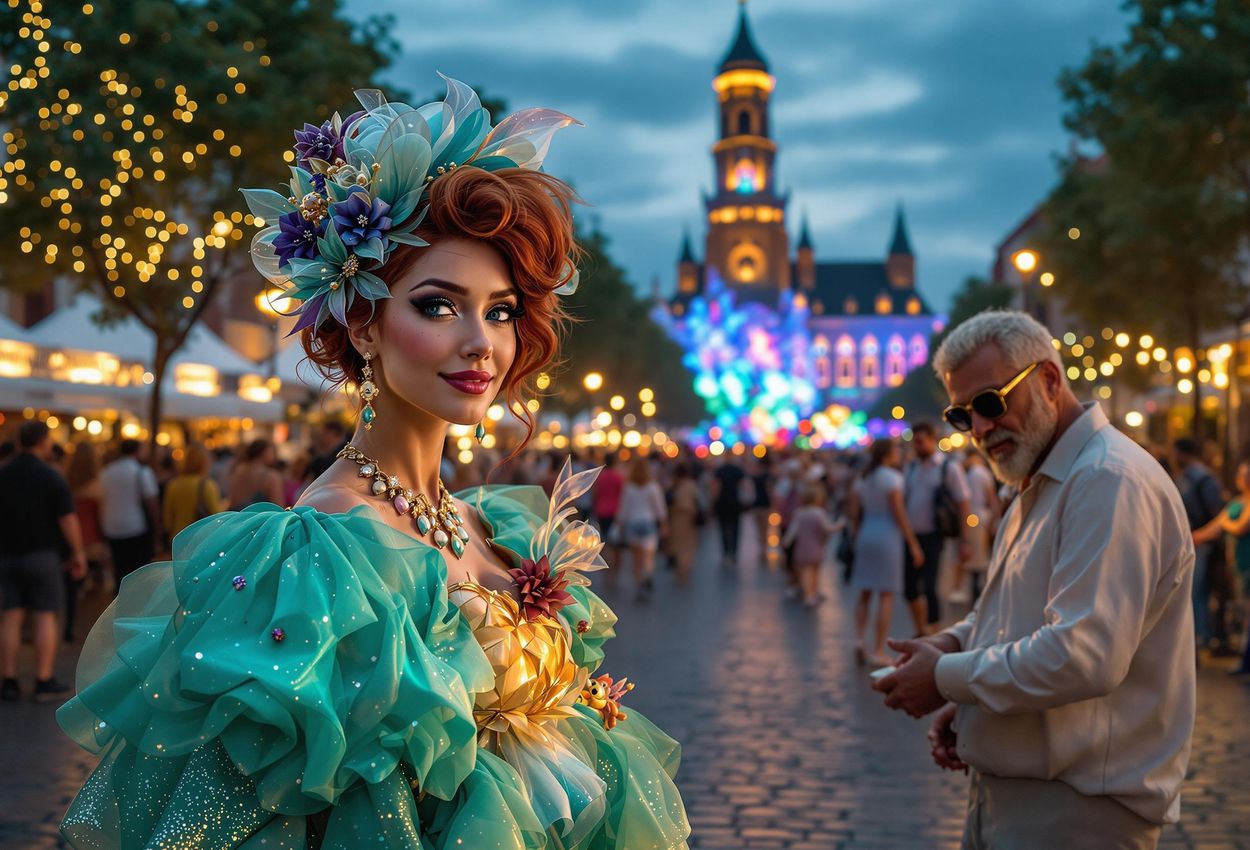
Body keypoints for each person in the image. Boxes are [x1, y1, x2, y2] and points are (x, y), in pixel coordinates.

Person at [57, 80, 689, 850]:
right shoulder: (322, 545)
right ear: (363, 326)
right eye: (436, 304)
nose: (481, 344)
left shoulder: (489, 520)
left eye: (500, 311)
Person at [874, 310, 1195, 850]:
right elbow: (1014, 612)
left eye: (991, 403)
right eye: (962, 415)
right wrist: (952, 650)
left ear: (1049, 380)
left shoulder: (1104, 480)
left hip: (1078, 812)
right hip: (1018, 802)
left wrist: (948, 677)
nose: (979, 429)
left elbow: (1081, 654)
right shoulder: (1040, 476)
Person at [0, 421, 86, 702]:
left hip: (6, 555)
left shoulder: (4, 473)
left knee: (10, 616)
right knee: (45, 615)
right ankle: (43, 679)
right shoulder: (51, 476)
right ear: (43, 442)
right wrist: (78, 553)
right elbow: (67, 519)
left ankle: (9, 680)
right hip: (42, 556)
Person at [847, 438, 922, 665]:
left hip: (867, 532)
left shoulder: (863, 478)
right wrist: (913, 543)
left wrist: (858, 534)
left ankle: (859, 639)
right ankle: (877, 649)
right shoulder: (892, 478)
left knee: (865, 592)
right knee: (886, 595)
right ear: (888, 453)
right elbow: (899, 513)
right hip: (887, 535)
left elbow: (853, 512)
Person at [902, 421, 972, 635]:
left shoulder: (948, 468)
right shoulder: (911, 467)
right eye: (915, 442)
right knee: (910, 588)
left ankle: (934, 631)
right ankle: (920, 628)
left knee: (930, 586)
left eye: (921, 441)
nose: (917, 446)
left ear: (932, 440)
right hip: (912, 535)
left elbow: (963, 501)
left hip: (934, 535)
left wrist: (965, 539)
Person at [1192, 458, 1250, 676]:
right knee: (1243, 610)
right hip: (1237, 565)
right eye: (1242, 475)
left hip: (1248, 563)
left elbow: (1239, 527)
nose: (1243, 479)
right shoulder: (1237, 502)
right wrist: (1191, 537)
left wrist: (1226, 524)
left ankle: (1246, 659)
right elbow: (1214, 527)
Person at [1174, 437, 1228, 655]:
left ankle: (1201, 636)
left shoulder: (1202, 478)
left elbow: (1216, 512)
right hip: (1192, 539)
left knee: (1197, 591)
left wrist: (1203, 536)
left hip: (1201, 542)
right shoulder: (1189, 477)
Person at [99, 438, 161, 595]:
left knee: (120, 569)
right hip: (136, 526)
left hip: (112, 526)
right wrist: (157, 527)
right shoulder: (142, 472)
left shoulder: (107, 471)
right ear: (137, 451)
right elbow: (151, 501)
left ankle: (120, 603)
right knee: (139, 572)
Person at [64, 441, 106, 639]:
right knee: (95, 587)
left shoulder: (65, 481)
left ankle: (70, 625)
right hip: (93, 538)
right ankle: (91, 631)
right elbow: (103, 515)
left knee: (72, 587)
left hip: (71, 537)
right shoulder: (97, 485)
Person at [617, 456, 668, 600]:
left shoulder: (628, 487)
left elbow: (623, 508)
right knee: (648, 556)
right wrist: (664, 524)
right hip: (648, 522)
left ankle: (639, 583)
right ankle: (647, 574)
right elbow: (660, 508)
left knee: (636, 558)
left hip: (632, 523)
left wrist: (620, 524)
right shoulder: (653, 487)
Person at [783, 481, 839, 608]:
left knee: (806, 572)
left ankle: (809, 594)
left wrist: (786, 541)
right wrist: (839, 525)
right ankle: (812, 593)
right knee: (815, 571)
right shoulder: (819, 513)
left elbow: (793, 530)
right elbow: (827, 528)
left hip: (802, 548)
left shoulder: (799, 513)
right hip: (816, 547)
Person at [957, 450, 999, 604]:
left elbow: (990, 497)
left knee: (977, 555)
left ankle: (977, 592)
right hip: (980, 516)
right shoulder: (981, 473)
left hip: (976, 516)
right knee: (979, 554)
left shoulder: (976, 473)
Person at [161, 442, 223, 539]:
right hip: (200, 538)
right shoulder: (207, 485)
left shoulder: (173, 484)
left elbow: (167, 520)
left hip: (178, 538)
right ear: (204, 462)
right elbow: (218, 517)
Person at [666, 462, 702, 585]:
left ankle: (681, 571)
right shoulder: (691, 485)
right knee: (686, 547)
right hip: (688, 520)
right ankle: (684, 571)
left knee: (680, 547)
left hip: (678, 520)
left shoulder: (676, 485)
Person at [710, 455, 747, 567]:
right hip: (735, 503)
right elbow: (744, 486)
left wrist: (714, 501)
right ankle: (733, 553)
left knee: (723, 529)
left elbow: (716, 487)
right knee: (735, 529)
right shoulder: (738, 471)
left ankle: (726, 552)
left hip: (723, 504)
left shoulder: (720, 471)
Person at [227, 438, 284, 508]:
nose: (275, 455)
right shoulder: (272, 477)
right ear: (264, 453)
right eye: (272, 452)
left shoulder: (239, 471)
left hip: (240, 516)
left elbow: (233, 500)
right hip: (262, 517)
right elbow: (278, 506)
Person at [592, 452, 624, 568]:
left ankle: (605, 564)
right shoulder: (619, 476)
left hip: (602, 510)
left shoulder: (600, 476)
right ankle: (615, 566)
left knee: (604, 539)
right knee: (616, 542)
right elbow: (622, 495)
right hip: (616, 511)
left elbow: (595, 494)